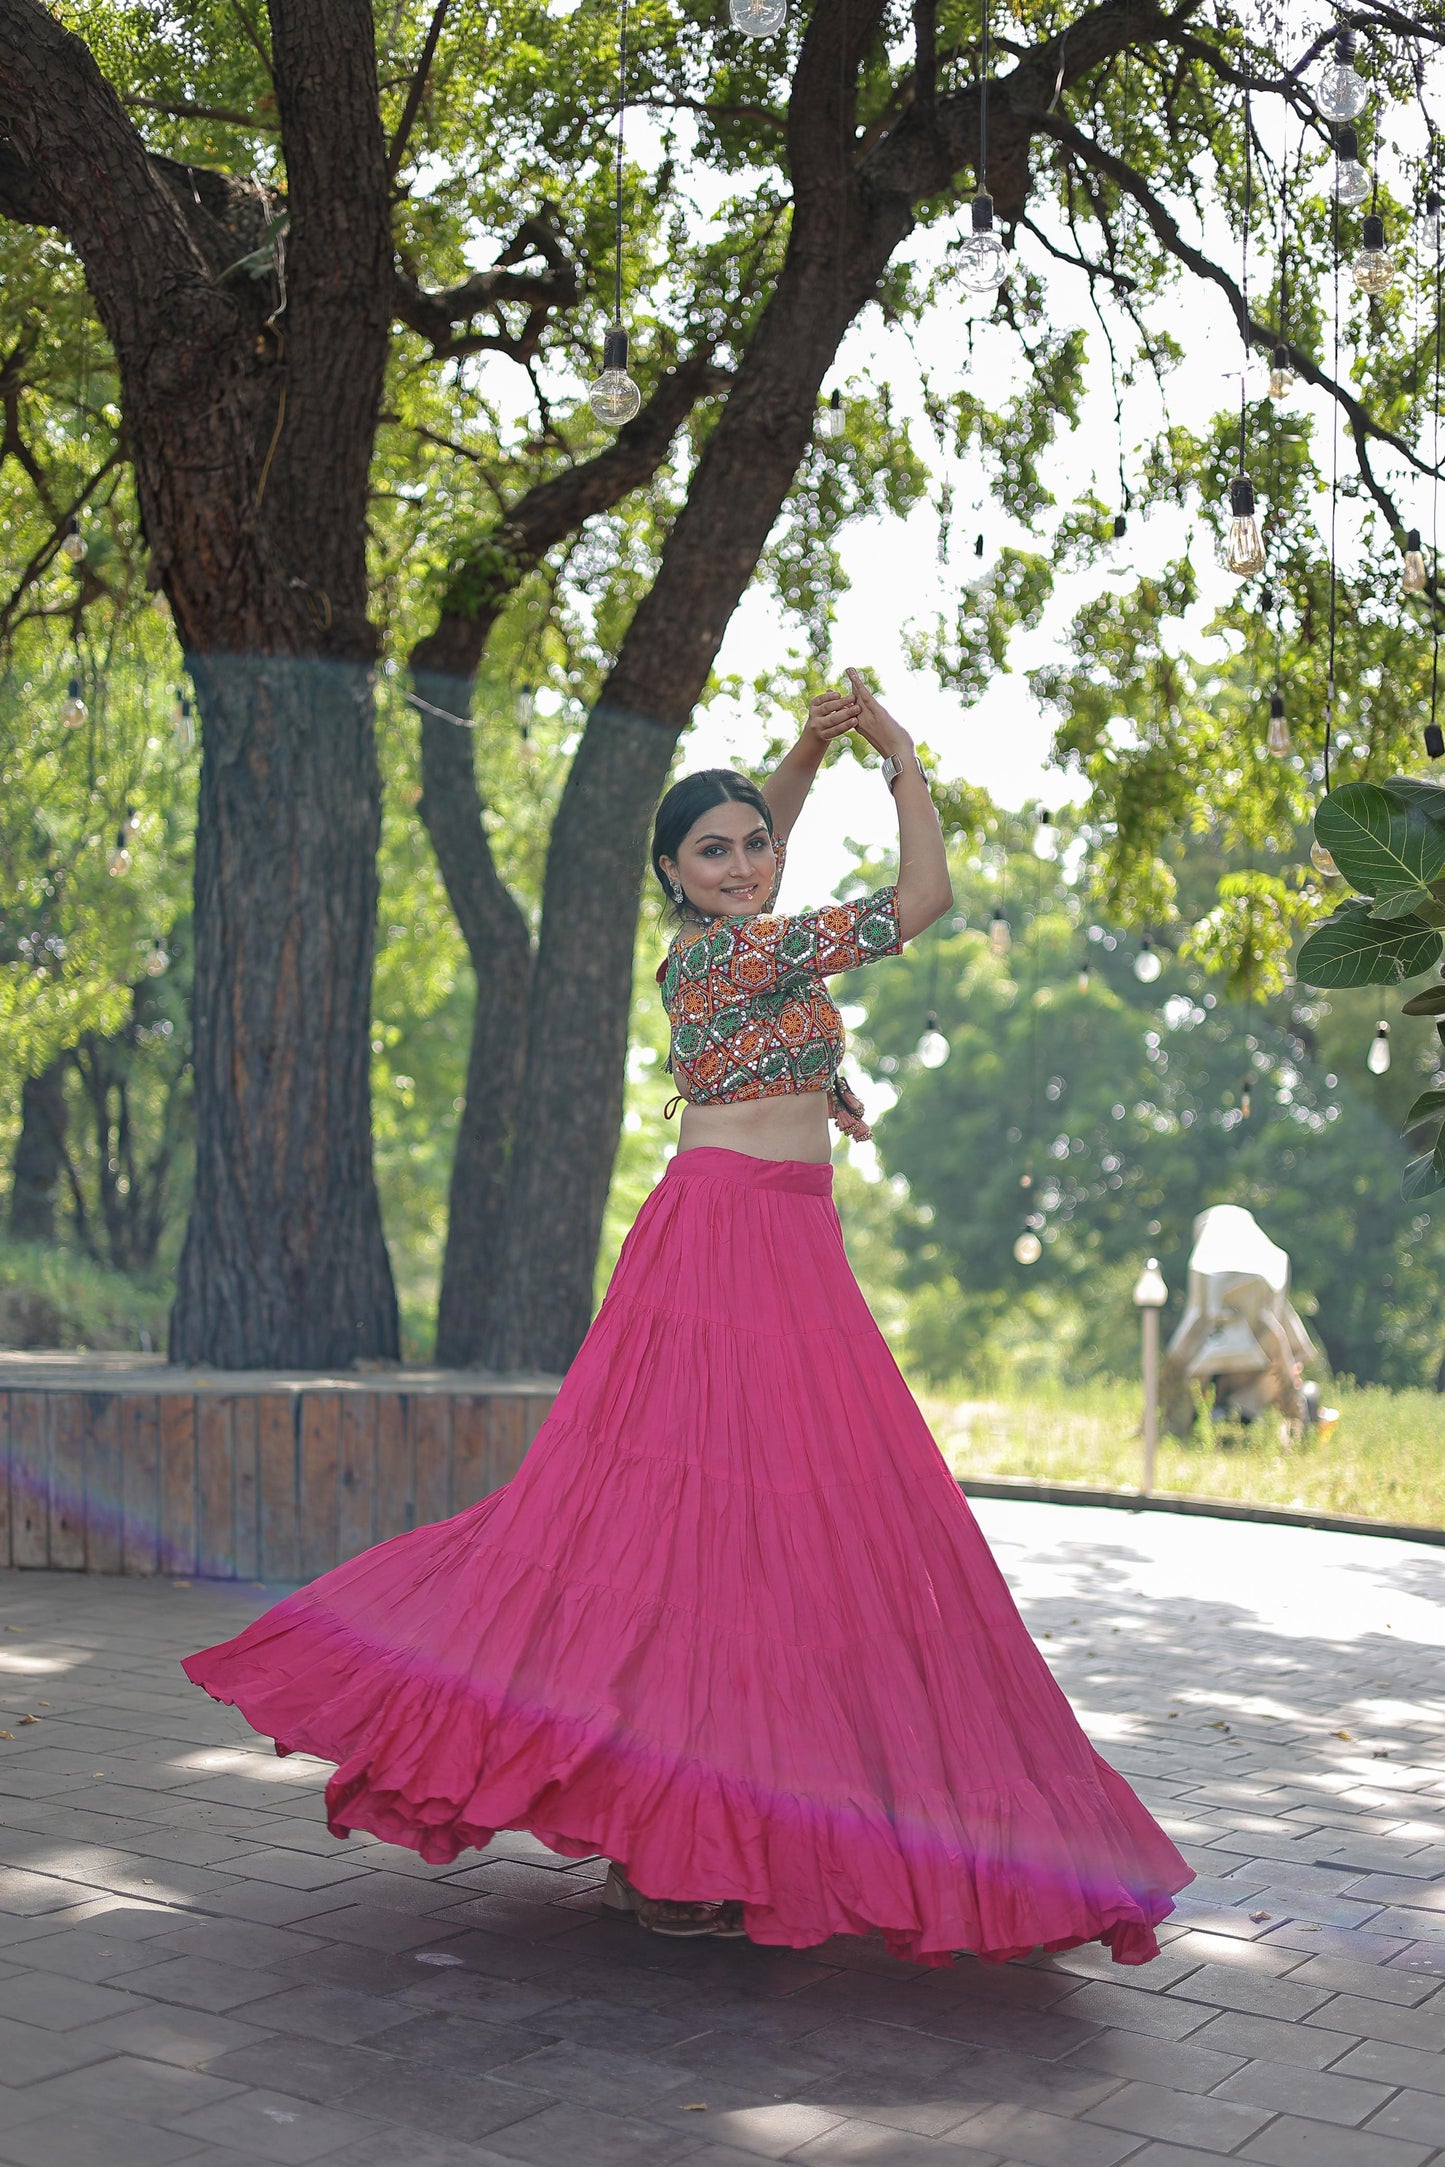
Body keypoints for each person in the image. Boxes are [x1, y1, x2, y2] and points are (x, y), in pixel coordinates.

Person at [184, 668, 1192, 1963]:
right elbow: (921, 901)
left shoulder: (737, 926)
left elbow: (749, 847)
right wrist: (892, 751)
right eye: (707, 852)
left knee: (758, 1546)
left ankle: (690, 1838)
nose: (740, 860)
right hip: (724, 1247)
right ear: (671, 876)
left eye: (752, 842)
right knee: (696, 1541)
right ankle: (677, 1841)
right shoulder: (730, 950)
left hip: (783, 1240)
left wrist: (798, 754)